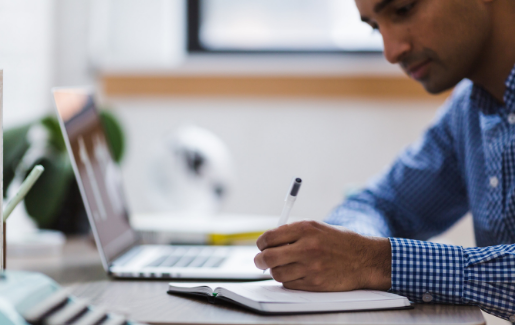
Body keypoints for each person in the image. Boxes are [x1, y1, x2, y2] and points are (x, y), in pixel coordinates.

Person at [253, 0, 515, 321]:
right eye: (376, 27)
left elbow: (372, 255)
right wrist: (345, 250)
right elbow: (380, 204)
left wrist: (376, 261)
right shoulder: (469, 110)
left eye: (403, 9)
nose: (391, 52)